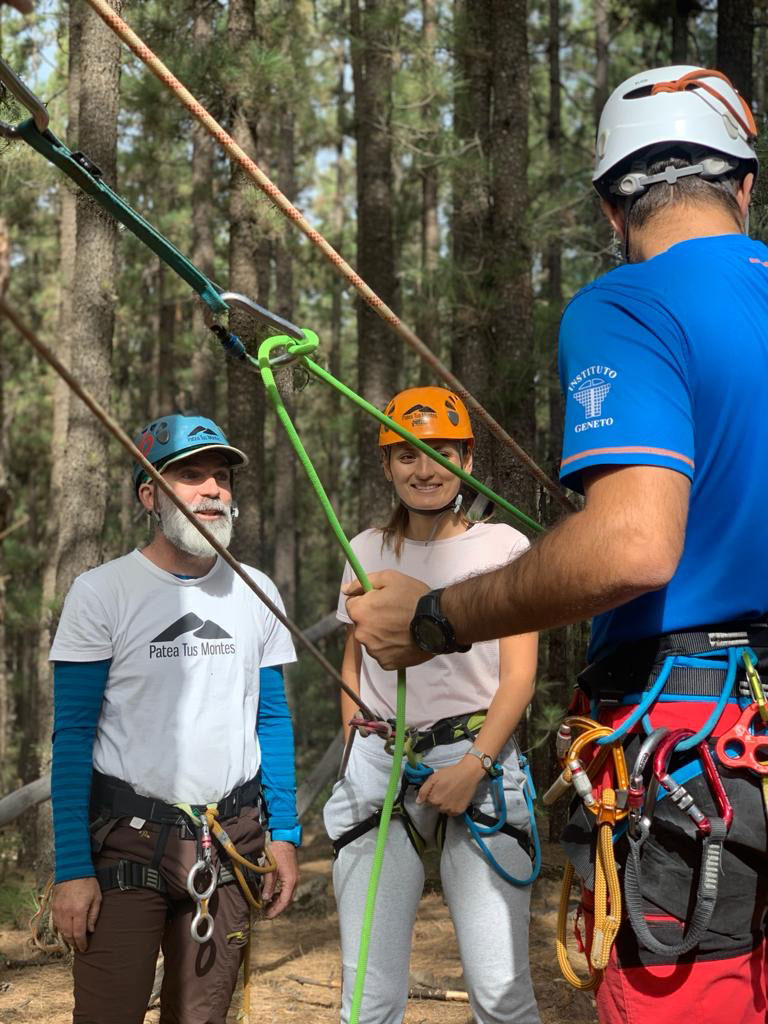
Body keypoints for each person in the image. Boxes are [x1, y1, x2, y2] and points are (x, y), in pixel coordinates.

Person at [343, 67, 768, 1023]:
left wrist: (442, 616)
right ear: (745, 185)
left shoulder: (626, 305)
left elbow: (631, 544)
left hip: (704, 759)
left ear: (614, 210)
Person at [49, 413, 302, 1024]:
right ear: (149, 495)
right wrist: (72, 871)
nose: (213, 489)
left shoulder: (257, 590)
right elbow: (73, 737)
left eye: (221, 477)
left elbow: (271, 717)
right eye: (190, 476)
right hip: (125, 844)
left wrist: (286, 834)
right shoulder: (101, 592)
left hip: (230, 841)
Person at [324, 387, 541, 1024]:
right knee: (367, 999)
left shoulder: (503, 549)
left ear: (467, 462)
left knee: (502, 994)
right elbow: (354, 662)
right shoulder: (365, 550)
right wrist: (356, 751)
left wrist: (474, 764)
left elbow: (519, 677)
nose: (426, 469)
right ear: (387, 465)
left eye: (442, 452)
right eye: (408, 455)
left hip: (479, 760)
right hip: (381, 763)